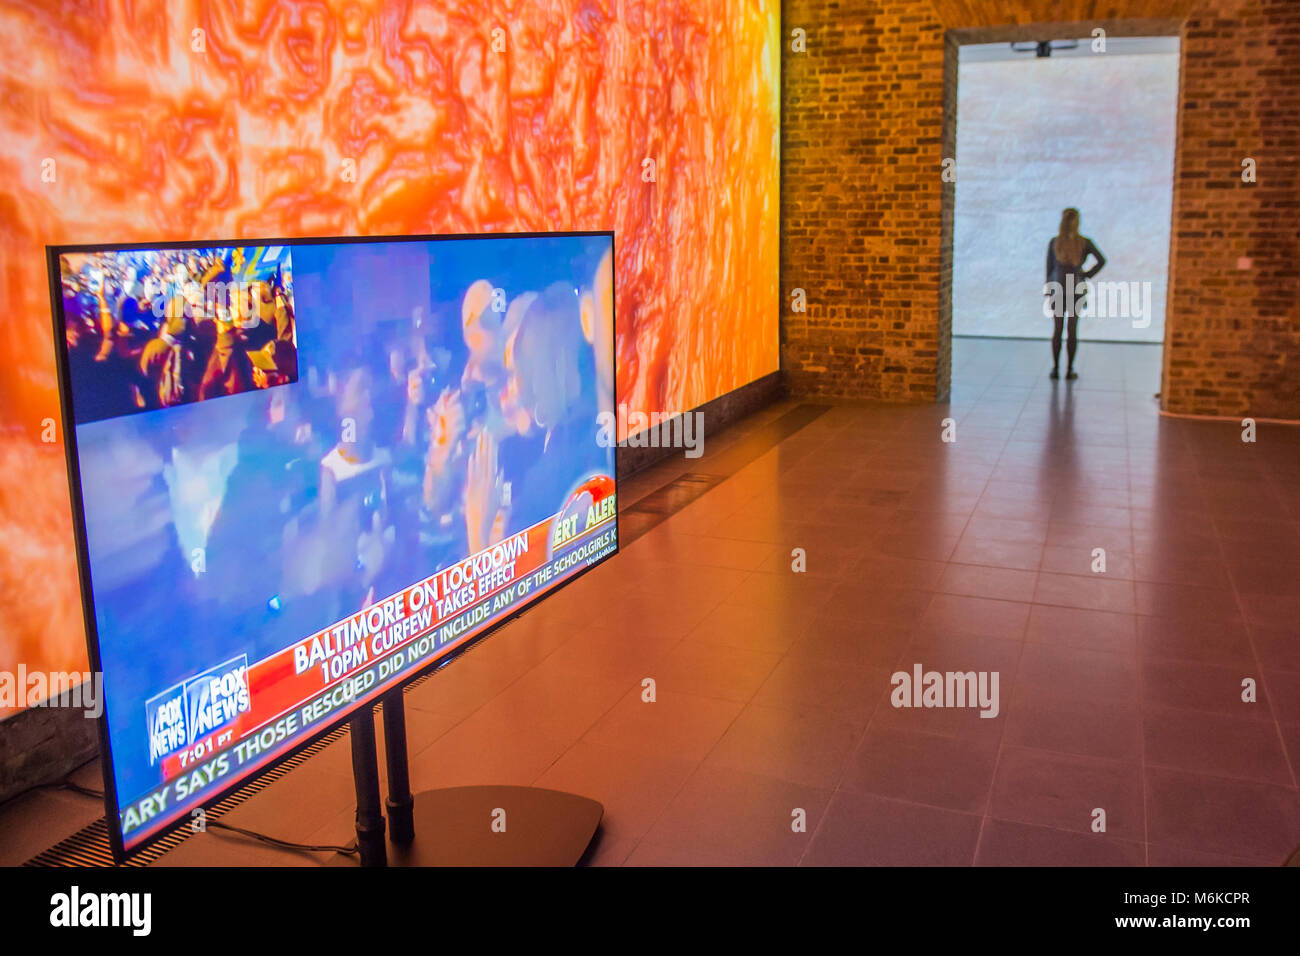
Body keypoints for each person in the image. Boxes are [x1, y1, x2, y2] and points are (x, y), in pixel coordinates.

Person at [1045, 208, 1105, 380]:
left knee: (1058, 329)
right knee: (1072, 330)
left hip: (1058, 285)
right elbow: (1102, 261)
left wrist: (1048, 288)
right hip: (1076, 286)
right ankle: (1070, 369)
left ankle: (1055, 369)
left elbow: (1049, 268)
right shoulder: (1084, 242)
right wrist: (1085, 274)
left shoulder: (1055, 242)